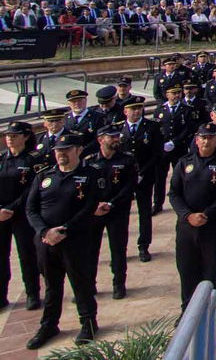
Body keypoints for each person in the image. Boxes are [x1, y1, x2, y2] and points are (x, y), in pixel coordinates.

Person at [25, 132, 100, 349]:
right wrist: (44, 232)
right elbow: (31, 209)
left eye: (66, 150)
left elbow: (89, 208)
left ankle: (88, 322)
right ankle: (49, 325)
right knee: (52, 285)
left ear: (78, 150)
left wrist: (65, 229)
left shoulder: (90, 175)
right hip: (46, 241)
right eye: (58, 151)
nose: (61, 154)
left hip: (74, 240)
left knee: (80, 283)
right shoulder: (44, 176)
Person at [169, 123, 216, 313]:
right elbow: (174, 193)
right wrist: (187, 215)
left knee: (211, 270)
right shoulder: (184, 163)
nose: (206, 141)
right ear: (197, 140)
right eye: (203, 137)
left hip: (212, 225)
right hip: (187, 226)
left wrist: (207, 214)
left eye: (210, 137)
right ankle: (188, 310)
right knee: (187, 269)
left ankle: (210, 309)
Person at [85, 126, 136, 300]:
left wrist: (111, 203)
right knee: (90, 250)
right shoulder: (89, 161)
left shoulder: (127, 160)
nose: (116, 139)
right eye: (111, 137)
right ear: (101, 140)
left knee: (118, 249)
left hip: (117, 210)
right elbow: (85, 188)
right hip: (95, 212)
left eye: (117, 136)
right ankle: (89, 285)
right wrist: (94, 206)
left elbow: (129, 186)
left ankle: (119, 284)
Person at [0, 122, 41, 311]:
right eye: (8, 135)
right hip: (1, 215)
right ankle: (2, 295)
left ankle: (32, 293)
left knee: (27, 255)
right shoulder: (2, 158)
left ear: (25, 137)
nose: (10, 139)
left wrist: (12, 208)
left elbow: (32, 189)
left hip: (22, 214)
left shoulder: (32, 159)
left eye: (14, 135)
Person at [117, 96, 162, 264]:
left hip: (144, 176)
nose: (136, 112)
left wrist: (141, 173)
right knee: (121, 215)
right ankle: (120, 248)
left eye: (139, 108)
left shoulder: (152, 127)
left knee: (144, 212)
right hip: (123, 178)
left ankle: (144, 245)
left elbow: (156, 153)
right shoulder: (118, 128)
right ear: (125, 111)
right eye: (132, 109)